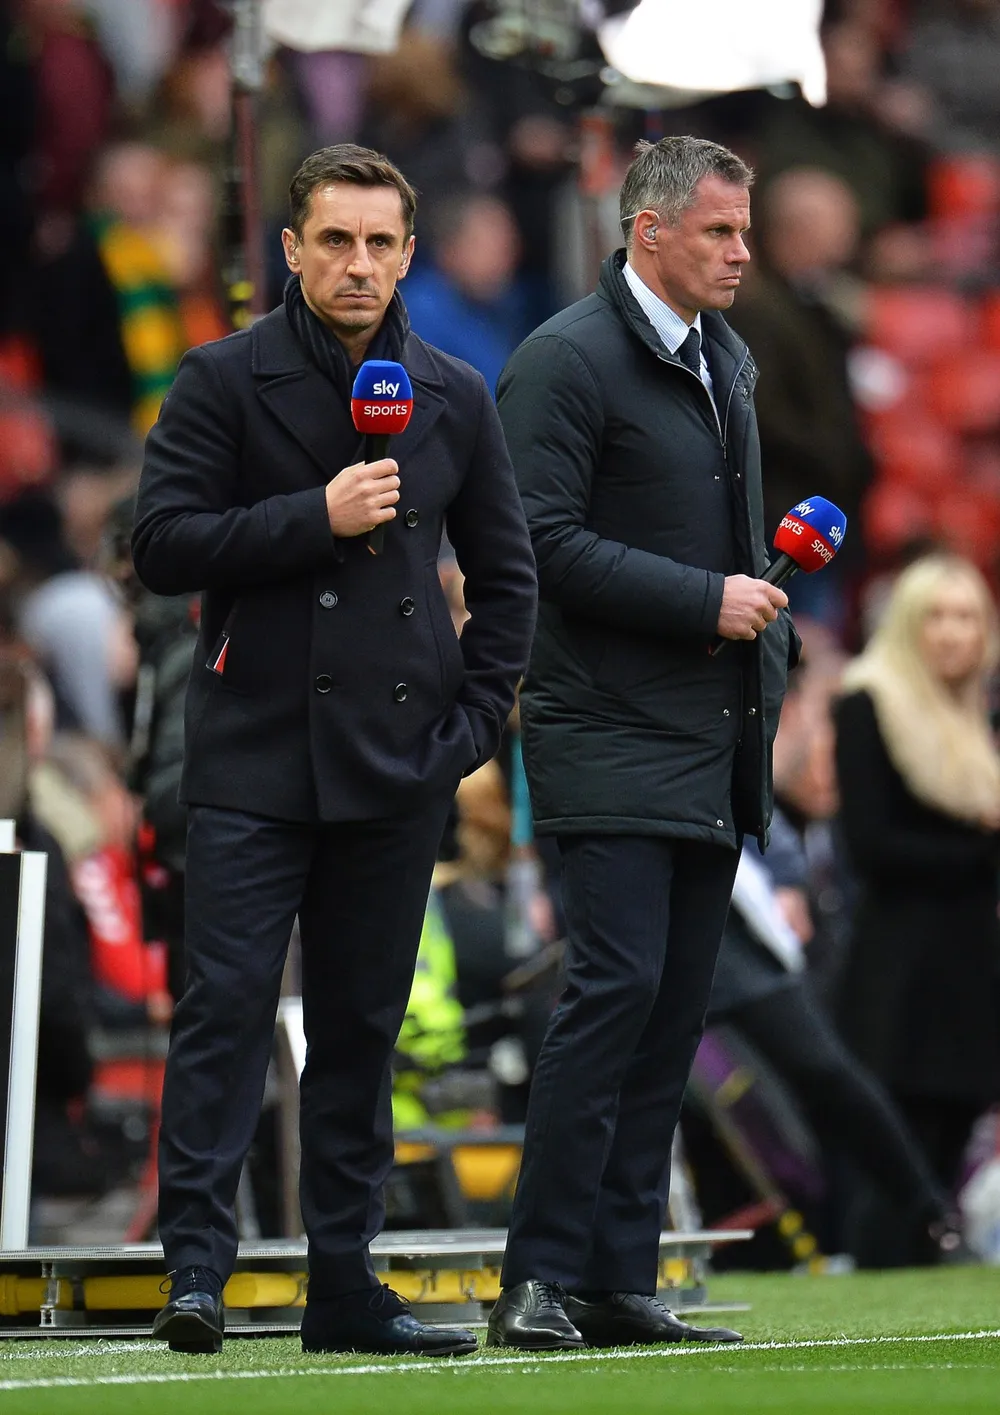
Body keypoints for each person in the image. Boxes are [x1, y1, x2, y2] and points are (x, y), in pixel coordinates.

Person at [131, 144, 537, 1357]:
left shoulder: (454, 391)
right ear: (292, 249)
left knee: (362, 1026)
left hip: (397, 755)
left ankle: (346, 1282)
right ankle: (195, 1268)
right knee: (225, 1009)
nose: (358, 263)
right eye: (335, 240)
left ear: (408, 255)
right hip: (253, 749)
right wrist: (314, 516)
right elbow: (160, 544)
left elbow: (509, 577)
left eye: (378, 243)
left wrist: (470, 727)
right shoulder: (220, 376)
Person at [488, 135, 799, 1351]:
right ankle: (536, 1273)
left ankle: (617, 1275)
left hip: (709, 729)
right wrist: (704, 599)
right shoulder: (564, 359)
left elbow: (722, 543)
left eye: (743, 228)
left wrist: (762, 626)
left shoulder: (725, 357)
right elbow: (535, 542)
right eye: (719, 230)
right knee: (613, 991)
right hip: (606, 725)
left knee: (671, 1009)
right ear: (647, 230)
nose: (740, 251)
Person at [834, 553, 1000, 1265]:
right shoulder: (868, 702)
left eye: (967, 617)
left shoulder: (975, 716)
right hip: (902, 971)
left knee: (953, 1135)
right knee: (898, 1158)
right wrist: (982, 848)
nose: (953, 633)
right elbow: (870, 844)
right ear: (907, 623)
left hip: (969, 965)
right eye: (937, 616)